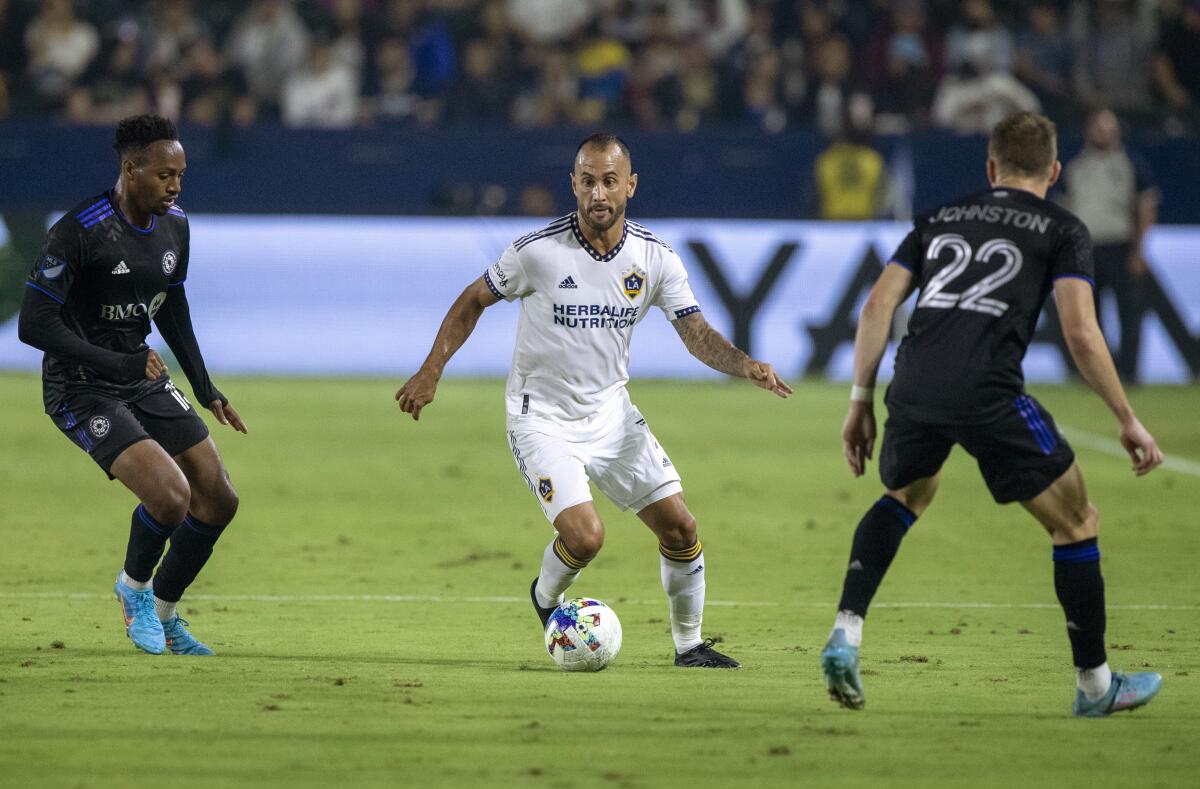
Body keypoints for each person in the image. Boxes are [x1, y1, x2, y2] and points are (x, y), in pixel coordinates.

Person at [397, 133, 791, 668]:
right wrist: (430, 370)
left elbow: (695, 332)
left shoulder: (655, 259)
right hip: (542, 418)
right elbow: (473, 299)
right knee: (585, 537)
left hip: (611, 416)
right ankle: (544, 597)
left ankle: (689, 646)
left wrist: (742, 363)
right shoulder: (536, 252)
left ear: (630, 185)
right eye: (588, 181)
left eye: (610, 181)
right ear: (574, 185)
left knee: (681, 528)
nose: (598, 193)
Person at [819, 111, 1164, 717]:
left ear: (990, 167)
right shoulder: (1062, 227)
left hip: (914, 382)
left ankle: (846, 630)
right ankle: (1095, 686)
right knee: (1077, 520)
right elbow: (1081, 333)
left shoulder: (939, 218)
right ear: (1055, 171)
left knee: (906, 494)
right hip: (988, 390)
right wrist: (1127, 418)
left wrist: (859, 401)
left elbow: (877, 305)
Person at [18, 114, 245, 656]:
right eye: (165, 175)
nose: (176, 186)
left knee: (217, 496)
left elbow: (173, 304)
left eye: (181, 175)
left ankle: (165, 613)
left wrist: (206, 385)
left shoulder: (175, 225)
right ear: (131, 168)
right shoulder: (79, 231)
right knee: (170, 497)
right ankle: (134, 589)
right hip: (80, 386)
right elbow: (34, 324)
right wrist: (114, 363)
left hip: (139, 376)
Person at [1062, 108, 1159, 383]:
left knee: (1129, 312)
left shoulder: (1130, 163)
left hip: (1121, 245)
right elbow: (1066, 209)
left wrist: (1139, 250)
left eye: (1108, 128)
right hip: (1086, 248)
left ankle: (1129, 372)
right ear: (1087, 130)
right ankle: (1095, 373)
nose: (1102, 133)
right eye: (1098, 127)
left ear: (1116, 132)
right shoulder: (1076, 166)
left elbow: (1145, 206)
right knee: (1088, 316)